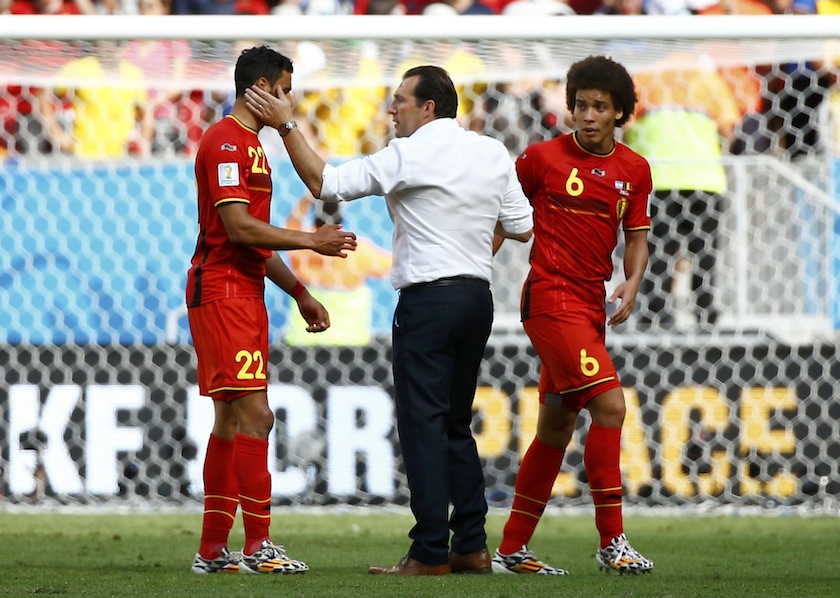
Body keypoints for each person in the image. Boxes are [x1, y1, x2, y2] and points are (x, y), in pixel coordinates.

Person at [246, 64, 534, 575]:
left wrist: (288, 125)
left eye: (400, 99)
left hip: (428, 302)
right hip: (475, 298)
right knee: (454, 422)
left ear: (429, 108)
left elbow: (324, 183)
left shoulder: (411, 152)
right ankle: (471, 544)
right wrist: (470, 257)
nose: (390, 108)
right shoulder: (491, 151)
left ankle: (428, 551)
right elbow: (520, 224)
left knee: (422, 424)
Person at [186, 45, 357, 575]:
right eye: (283, 89)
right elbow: (238, 229)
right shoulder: (226, 143)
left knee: (231, 420)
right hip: (223, 292)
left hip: (245, 290)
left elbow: (255, 242)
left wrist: (300, 293)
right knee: (257, 415)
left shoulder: (253, 148)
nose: (288, 100)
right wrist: (312, 240)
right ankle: (259, 545)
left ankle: (213, 552)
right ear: (259, 89)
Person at [491, 55, 654, 576]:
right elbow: (502, 213)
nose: (587, 115)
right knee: (609, 406)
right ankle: (613, 542)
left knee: (556, 427)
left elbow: (638, 237)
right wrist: (473, 268)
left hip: (590, 307)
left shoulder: (635, 170)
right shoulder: (541, 158)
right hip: (549, 299)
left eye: (599, 107)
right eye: (581, 105)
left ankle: (511, 549)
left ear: (619, 113)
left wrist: (632, 280)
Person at [626, 51, 740, 330]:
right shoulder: (709, 80)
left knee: (658, 250)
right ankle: (705, 312)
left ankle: (655, 312)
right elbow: (729, 127)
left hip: (658, 176)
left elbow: (626, 125)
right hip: (704, 177)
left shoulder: (645, 77)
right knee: (705, 252)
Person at [283, 194, 392, 346]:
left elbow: (290, 228)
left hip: (303, 342)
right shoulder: (359, 250)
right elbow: (396, 265)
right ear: (341, 216)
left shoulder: (305, 246)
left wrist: (308, 197)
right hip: (351, 344)